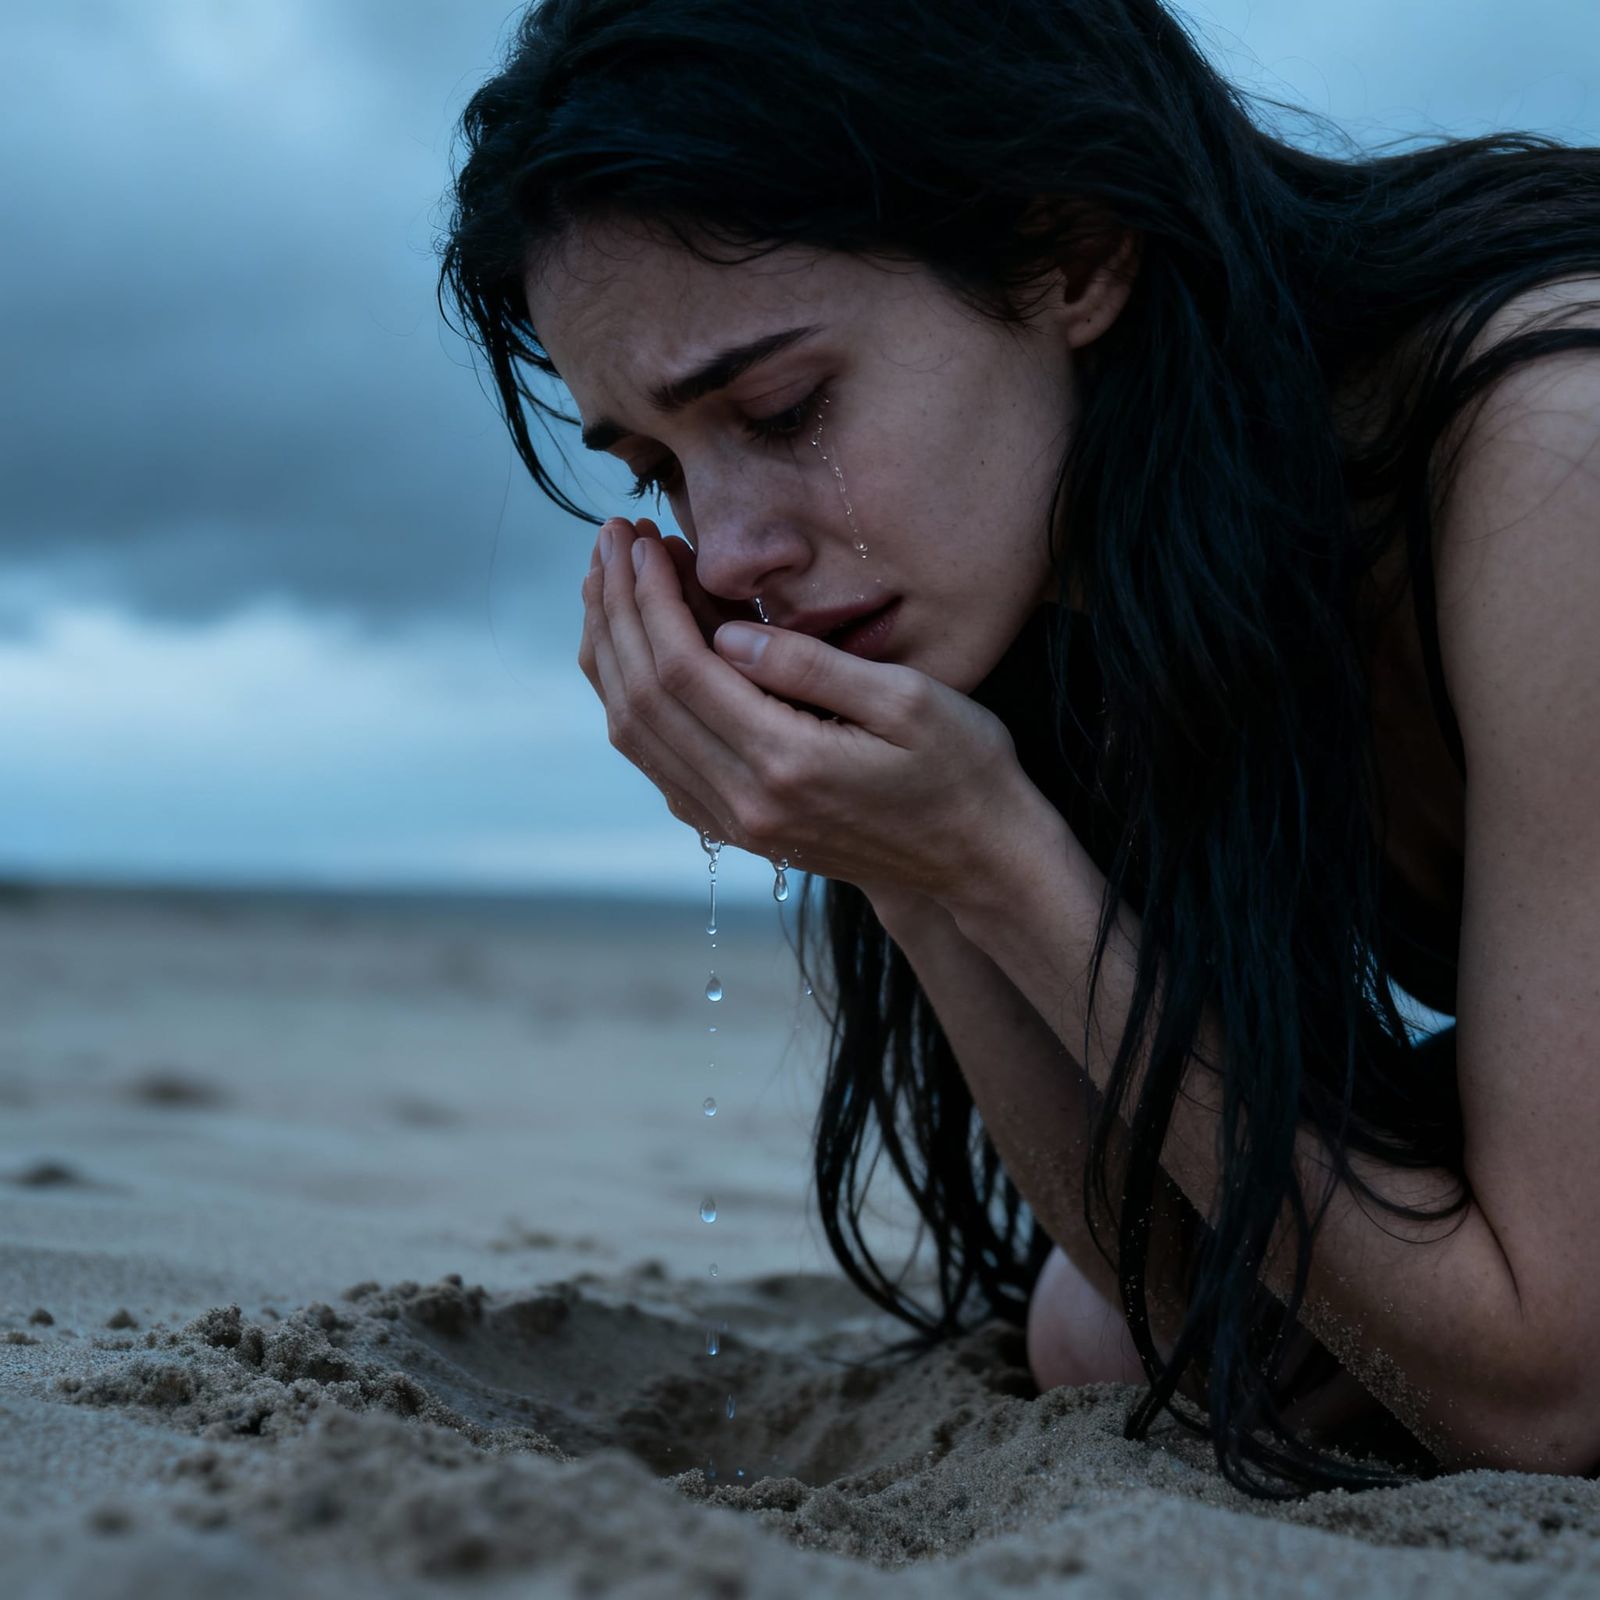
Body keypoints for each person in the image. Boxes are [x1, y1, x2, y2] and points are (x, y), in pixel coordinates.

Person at [439, 0, 1600, 1498]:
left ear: (1073, 254)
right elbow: (1191, 1301)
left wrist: (995, 858)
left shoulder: (1550, 454)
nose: (725, 555)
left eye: (783, 409)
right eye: (662, 470)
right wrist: (914, 868)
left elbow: (1549, 1404)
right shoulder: (1103, 571)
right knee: (1093, 1332)